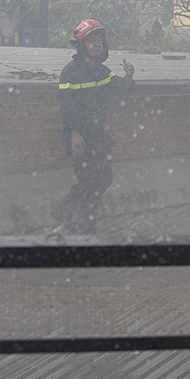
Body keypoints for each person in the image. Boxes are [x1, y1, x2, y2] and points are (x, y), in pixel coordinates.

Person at [53, 19, 135, 232]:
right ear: (81, 44)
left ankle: (65, 214)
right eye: (91, 40)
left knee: (104, 179)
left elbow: (121, 87)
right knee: (89, 182)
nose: (97, 43)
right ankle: (86, 227)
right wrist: (74, 134)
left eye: (99, 40)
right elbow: (67, 107)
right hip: (77, 137)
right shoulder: (70, 72)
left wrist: (128, 76)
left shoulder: (102, 71)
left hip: (97, 136)